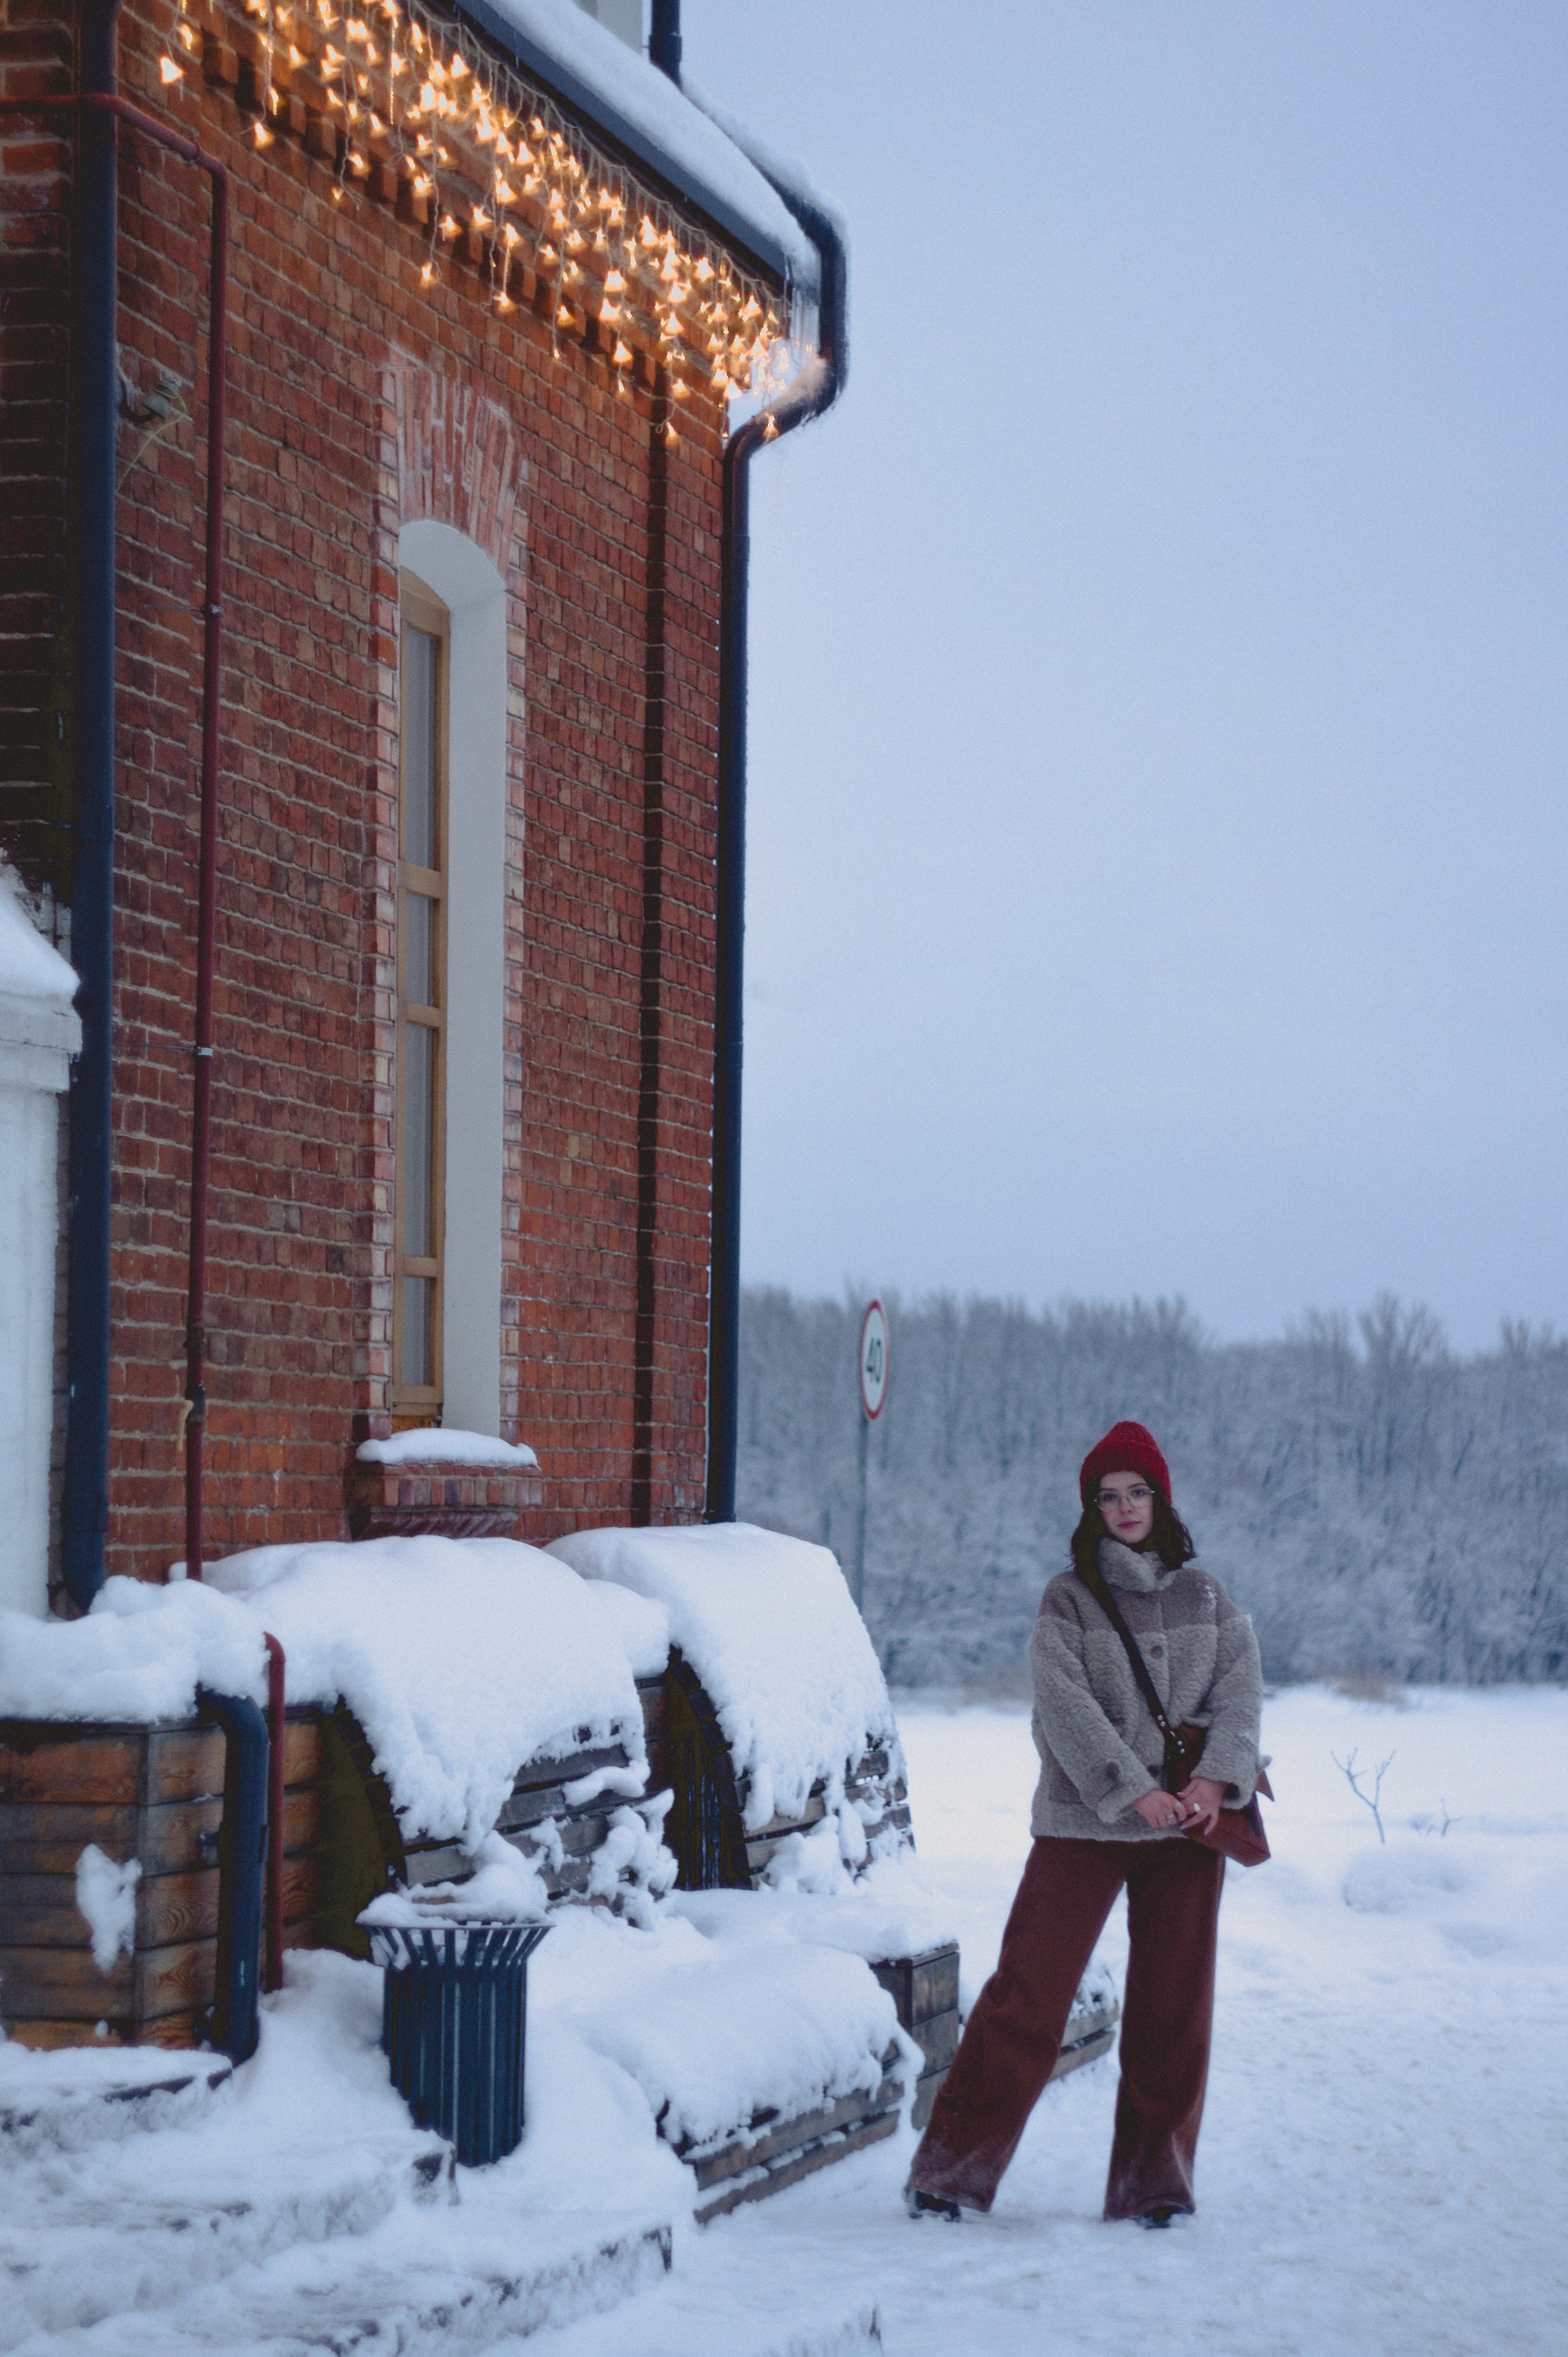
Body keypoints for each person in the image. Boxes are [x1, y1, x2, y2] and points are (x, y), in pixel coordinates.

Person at [905, 1420, 1264, 2228]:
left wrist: (1214, 1781)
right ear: (1091, 1508)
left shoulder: (1208, 1597)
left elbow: (1242, 1695)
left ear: (1160, 1498)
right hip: (1083, 1826)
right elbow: (1063, 1706)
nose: (1125, 1507)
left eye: (1138, 1493)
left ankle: (1154, 2187)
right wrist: (1132, 1791)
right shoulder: (1067, 1599)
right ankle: (951, 2172)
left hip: (1187, 1831)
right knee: (1026, 1997)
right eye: (1109, 1496)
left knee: (1174, 2009)